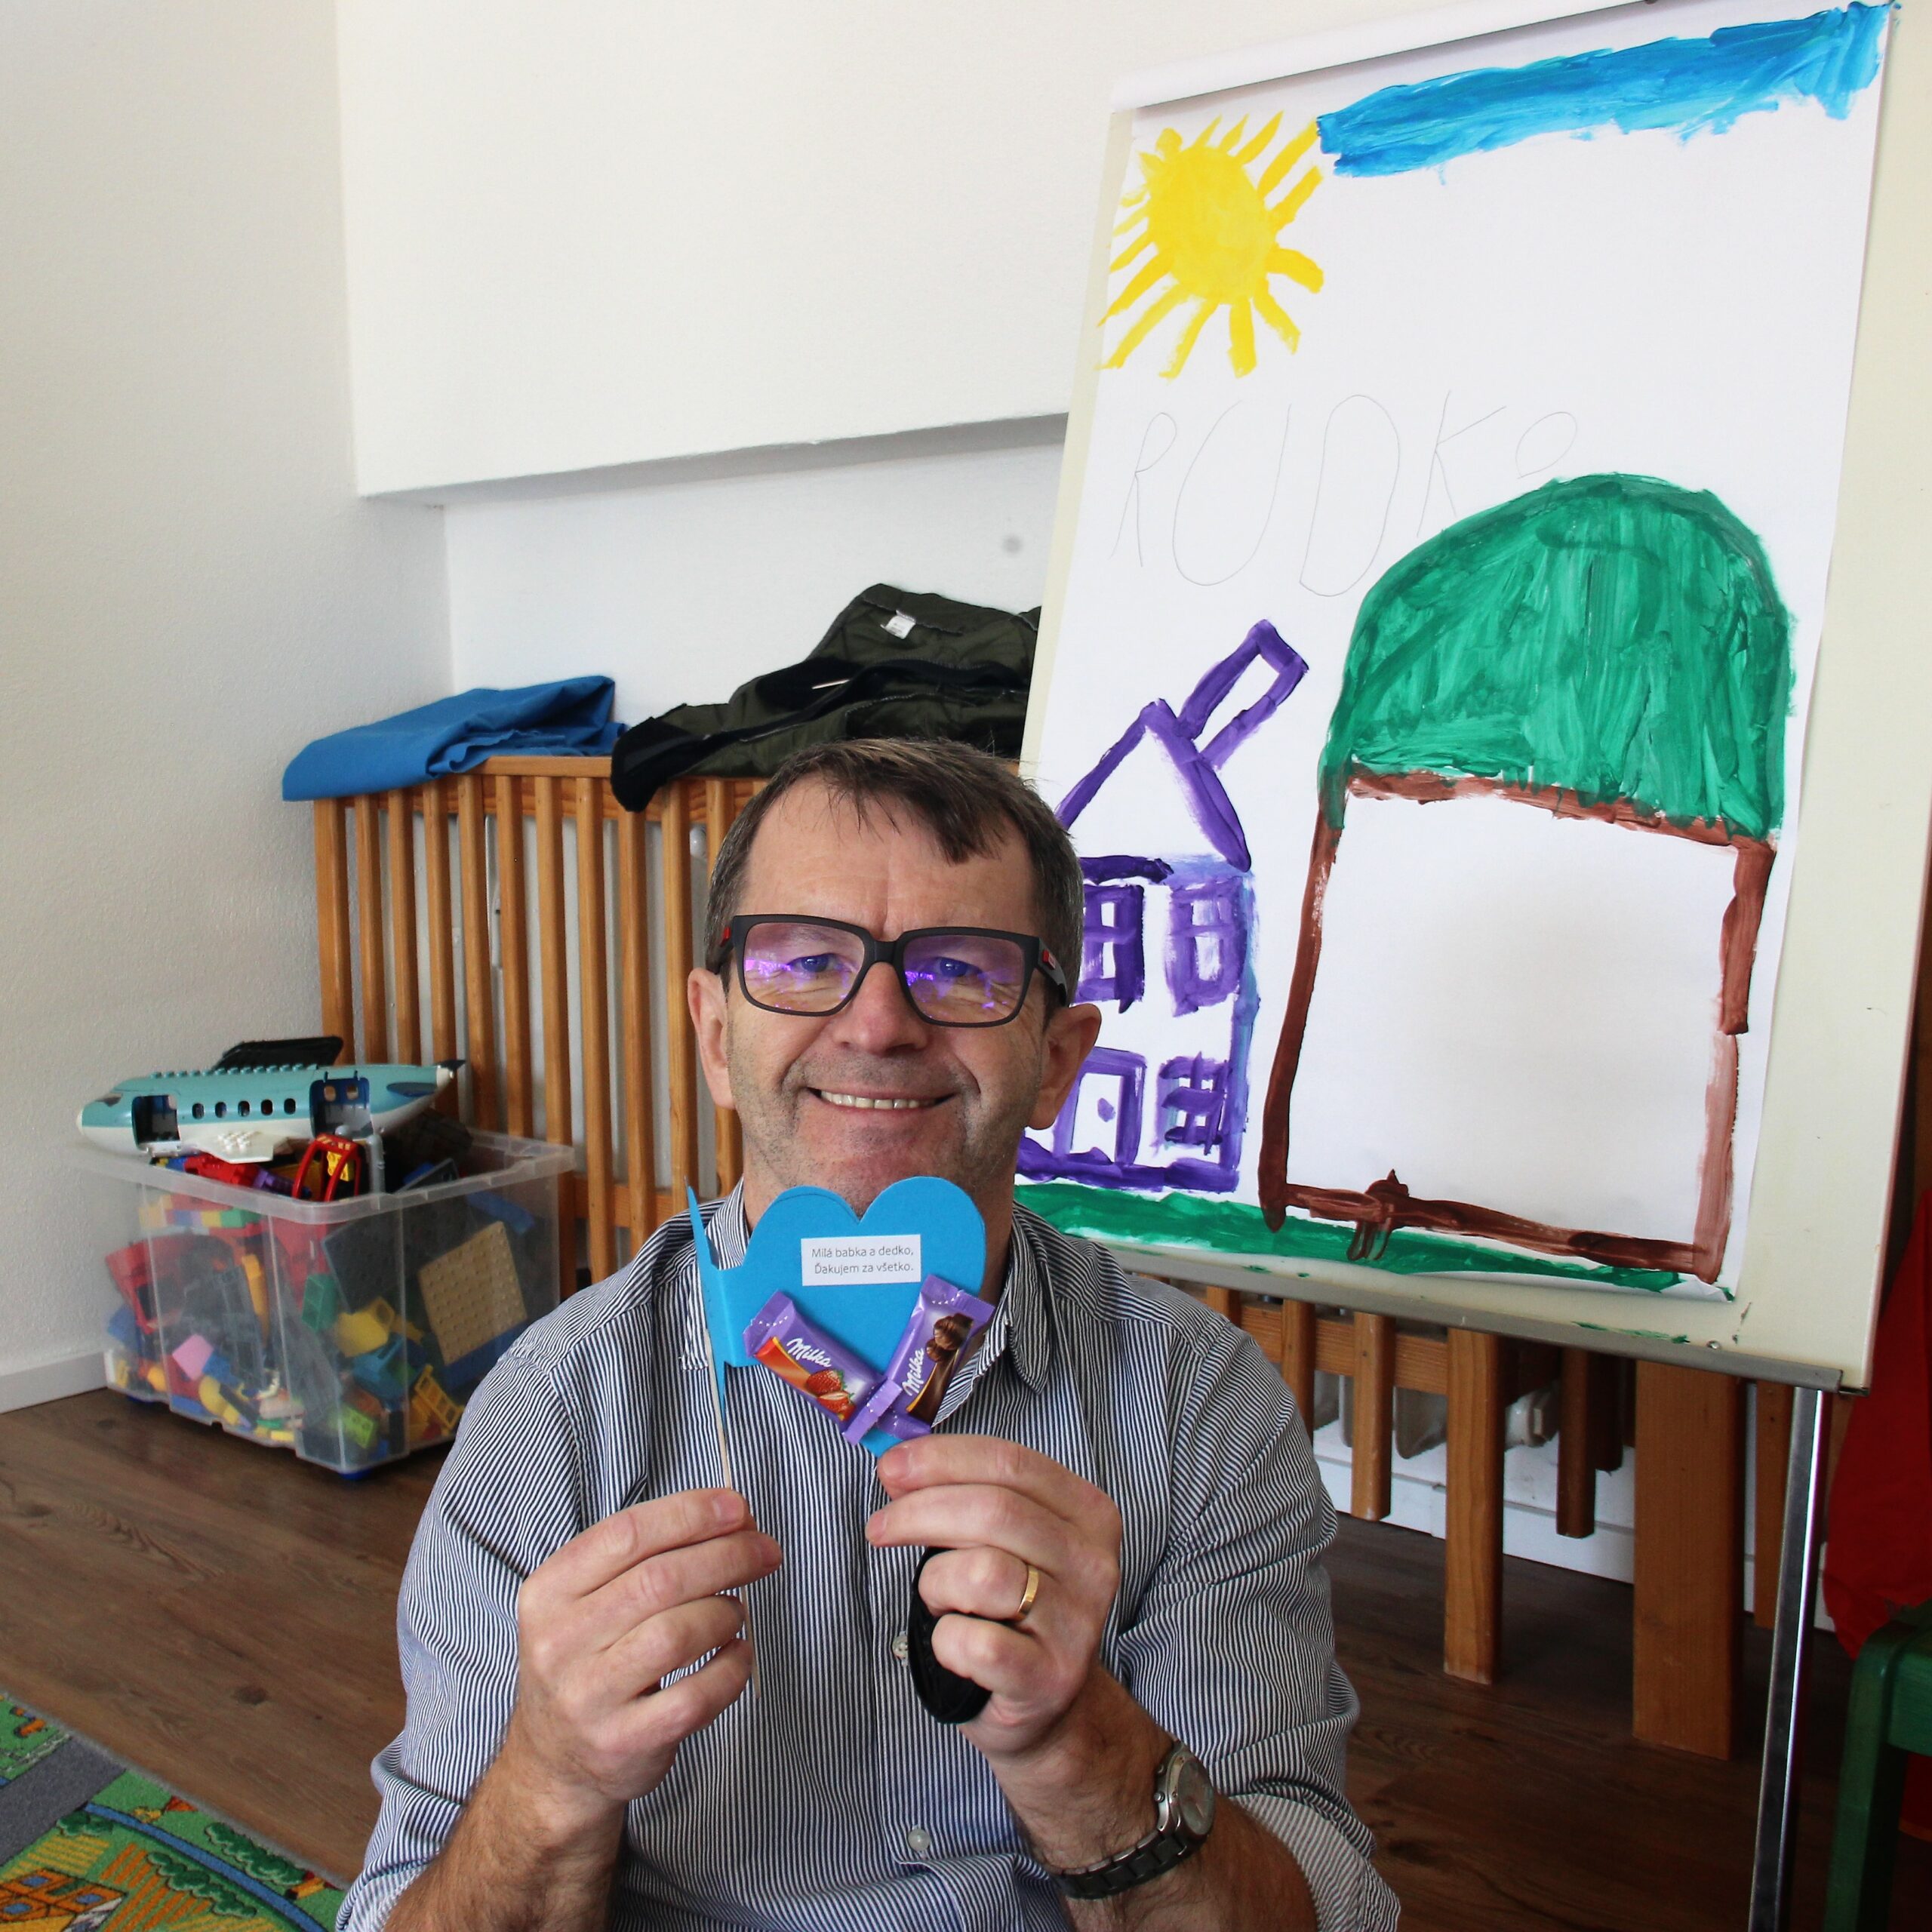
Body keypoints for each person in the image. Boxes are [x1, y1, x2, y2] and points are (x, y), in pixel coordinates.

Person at [340, 738, 1398, 1932]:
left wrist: (1083, 1749)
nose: (880, 1023)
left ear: (1056, 1060)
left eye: (962, 970)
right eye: (805, 961)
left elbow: (1321, 1904)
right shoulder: (552, 1413)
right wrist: (550, 1781)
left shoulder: (1202, 1404)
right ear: (715, 1035)